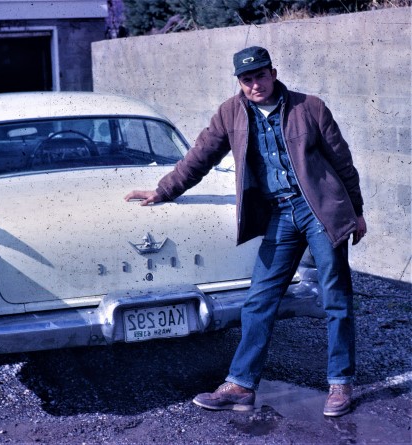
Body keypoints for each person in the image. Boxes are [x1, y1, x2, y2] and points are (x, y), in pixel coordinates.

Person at [124, 46, 367, 417]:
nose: (255, 85)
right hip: (280, 215)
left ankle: (340, 384)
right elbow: (199, 156)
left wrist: (357, 212)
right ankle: (240, 384)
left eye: (260, 76)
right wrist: (163, 189)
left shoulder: (309, 107)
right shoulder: (229, 113)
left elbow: (342, 160)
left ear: (273, 72)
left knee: (335, 298)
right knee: (258, 300)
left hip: (320, 211)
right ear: (240, 81)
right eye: (247, 79)